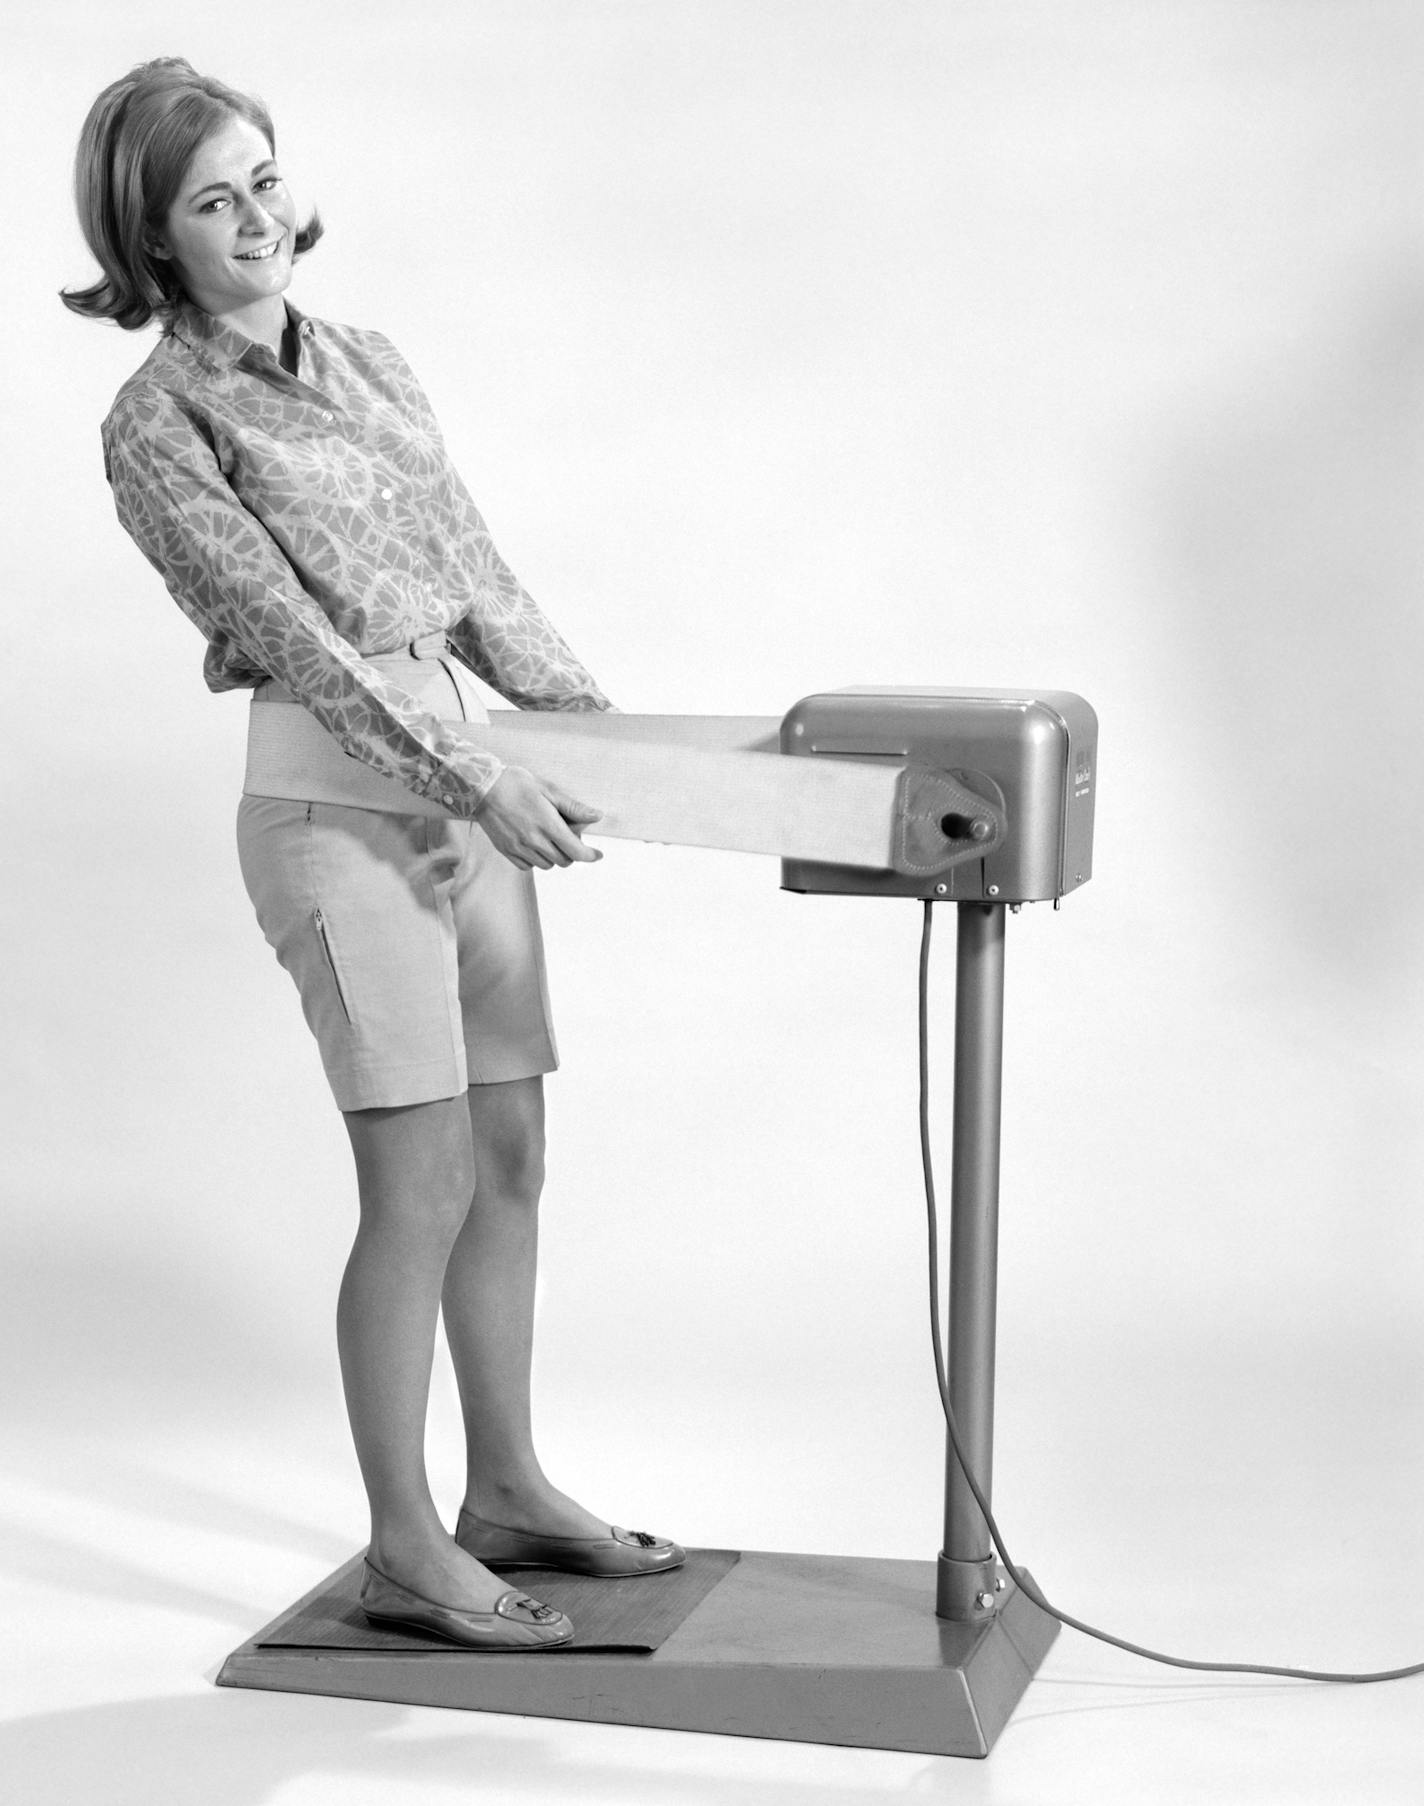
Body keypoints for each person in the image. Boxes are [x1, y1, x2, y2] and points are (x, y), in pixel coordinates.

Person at [62, 57, 682, 1652]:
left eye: (264, 175)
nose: (257, 214)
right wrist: (475, 774)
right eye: (212, 199)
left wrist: (608, 736)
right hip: (338, 813)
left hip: (465, 796)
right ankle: (408, 1546)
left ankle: (512, 1488)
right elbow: (301, 644)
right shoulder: (156, 424)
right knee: (419, 1180)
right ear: (153, 240)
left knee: (515, 1158)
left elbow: (475, 575)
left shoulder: (374, 362)